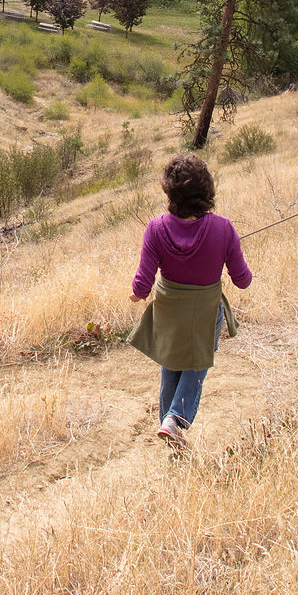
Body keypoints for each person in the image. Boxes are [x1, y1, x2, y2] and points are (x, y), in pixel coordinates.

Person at [128, 154, 251, 448]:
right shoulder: (223, 228)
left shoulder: (156, 229)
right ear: (206, 190)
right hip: (205, 311)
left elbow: (142, 284)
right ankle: (176, 420)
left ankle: (168, 426)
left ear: (170, 193)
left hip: (169, 311)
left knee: (171, 362)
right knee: (196, 362)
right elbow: (242, 280)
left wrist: (135, 293)